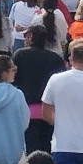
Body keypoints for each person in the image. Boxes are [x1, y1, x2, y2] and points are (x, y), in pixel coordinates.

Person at [13, 25, 65, 155]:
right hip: (49, 111)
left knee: (32, 151)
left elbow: (13, 80)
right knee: (47, 148)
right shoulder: (56, 59)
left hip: (27, 109)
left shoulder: (20, 55)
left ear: (30, 37)